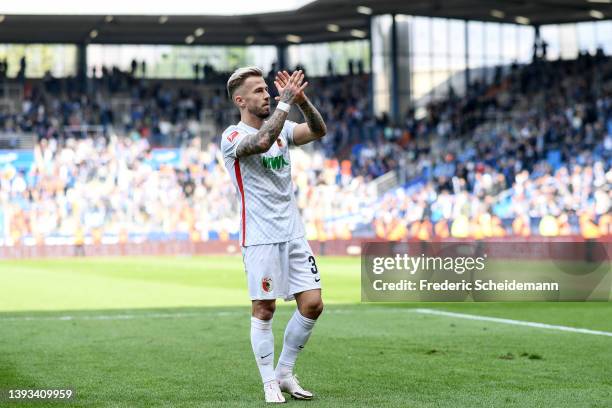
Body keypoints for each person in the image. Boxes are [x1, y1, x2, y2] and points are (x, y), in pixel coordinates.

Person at [221, 66, 327, 403]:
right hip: (261, 236)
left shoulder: (283, 129)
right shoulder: (232, 137)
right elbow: (263, 140)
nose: (266, 94)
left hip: (293, 232)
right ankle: (268, 380)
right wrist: (284, 104)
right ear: (240, 100)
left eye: (267, 89)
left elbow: (318, 130)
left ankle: (284, 371)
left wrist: (302, 101)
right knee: (264, 309)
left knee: (313, 305)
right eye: (257, 91)